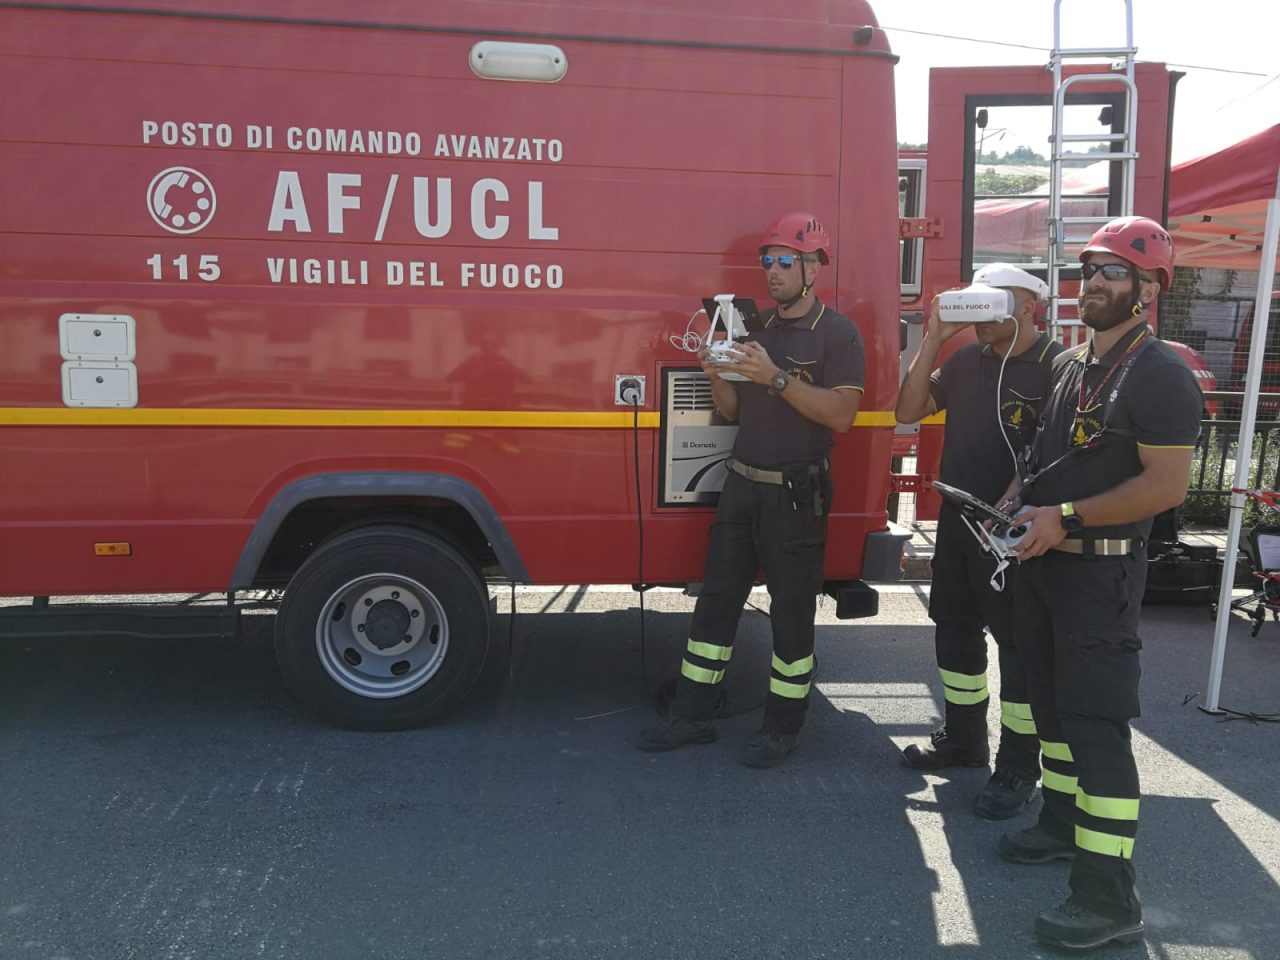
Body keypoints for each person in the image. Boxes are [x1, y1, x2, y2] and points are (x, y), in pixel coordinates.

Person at [996, 216, 1202, 951]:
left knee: (1095, 726)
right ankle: (1059, 822)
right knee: (1050, 706)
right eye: (1091, 270)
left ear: (1150, 289)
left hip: (1101, 572)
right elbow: (1052, 457)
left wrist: (1068, 516)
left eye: (1116, 272)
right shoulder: (1073, 364)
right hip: (1048, 560)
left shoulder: (1161, 374)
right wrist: (1022, 494)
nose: (1097, 283)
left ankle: (1110, 896)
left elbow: (1167, 485)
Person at [638, 212, 865, 767]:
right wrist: (718, 376)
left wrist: (777, 378)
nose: (773, 271)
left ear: (814, 267)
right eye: (767, 261)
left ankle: (782, 727)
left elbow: (842, 415)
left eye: (786, 260)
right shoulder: (756, 330)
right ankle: (692, 714)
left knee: (790, 613)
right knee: (716, 602)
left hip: (795, 493)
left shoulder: (838, 333)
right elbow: (734, 411)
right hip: (741, 485)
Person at [895, 264, 1062, 819]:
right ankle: (965, 741)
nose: (983, 312)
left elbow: (1060, 457)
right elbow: (907, 411)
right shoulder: (966, 360)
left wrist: (1015, 513)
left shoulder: (1057, 367)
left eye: (995, 301)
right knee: (955, 632)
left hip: (1014, 534)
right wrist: (936, 337)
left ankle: (1017, 767)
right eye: (975, 300)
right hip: (959, 522)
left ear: (1029, 306)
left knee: (1017, 650)